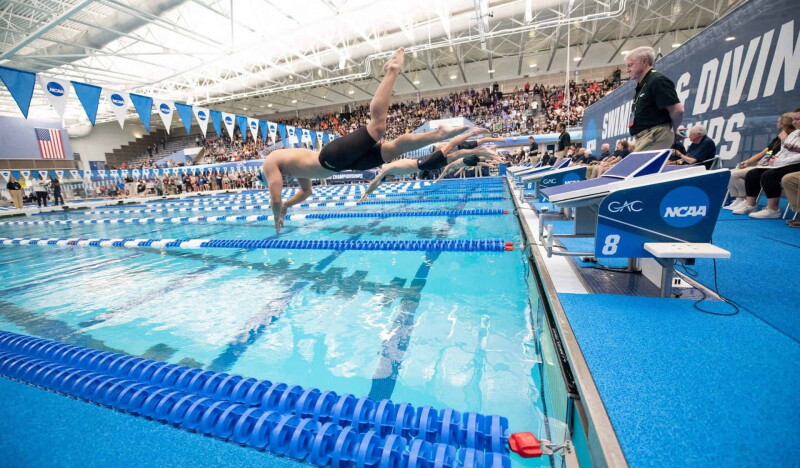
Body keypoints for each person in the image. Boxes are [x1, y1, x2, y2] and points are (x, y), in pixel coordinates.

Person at [263, 49, 474, 233]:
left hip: (330, 158)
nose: (275, 181)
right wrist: (288, 206)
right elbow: (306, 192)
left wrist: (277, 215)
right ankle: (438, 135)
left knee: (377, 128)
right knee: (392, 151)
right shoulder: (294, 168)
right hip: (341, 165)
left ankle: (391, 70)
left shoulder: (270, 163)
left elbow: (274, 199)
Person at [359, 142, 503, 201]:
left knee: (452, 151)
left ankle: (481, 149)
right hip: (425, 164)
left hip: (424, 163)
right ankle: (482, 151)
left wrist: (366, 193)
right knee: (453, 154)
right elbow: (377, 181)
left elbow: (374, 181)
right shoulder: (389, 168)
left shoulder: (385, 168)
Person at [734, 112, 800, 218]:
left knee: (769, 175)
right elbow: (781, 152)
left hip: (795, 164)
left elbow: (796, 156)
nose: (794, 122)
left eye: (797, 119)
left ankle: (773, 209)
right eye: (793, 120)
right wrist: (774, 159)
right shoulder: (793, 134)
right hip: (783, 163)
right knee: (753, 173)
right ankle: (751, 205)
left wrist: (778, 161)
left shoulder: (786, 136)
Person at [625, 46, 684, 151]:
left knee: (641, 167)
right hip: (647, 137)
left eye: (630, 65)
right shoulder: (644, 84)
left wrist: (673, 129)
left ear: (644, 61)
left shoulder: (657, 80)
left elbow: (678, 110)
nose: (627, 70)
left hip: (654, 136)